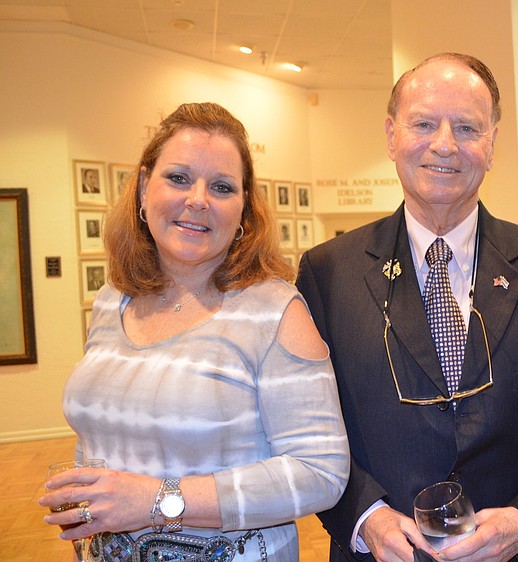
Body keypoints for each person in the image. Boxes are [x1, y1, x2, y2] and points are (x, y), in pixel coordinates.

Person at [296, 53, 518, 562]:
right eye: (424, 124)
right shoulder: (328, 273)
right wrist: (366, 518)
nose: (444, 145)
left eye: (467, 127)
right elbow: (312, 430)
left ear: (492, 143)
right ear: (391, 135)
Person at [40, 102, 350, 561]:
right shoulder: (113, 298)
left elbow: (320, 472)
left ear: (243, 210)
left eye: (222, 187)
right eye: (179, 178)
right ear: (145, 187)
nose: (198, 199)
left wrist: (155, 500)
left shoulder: (274, 310)